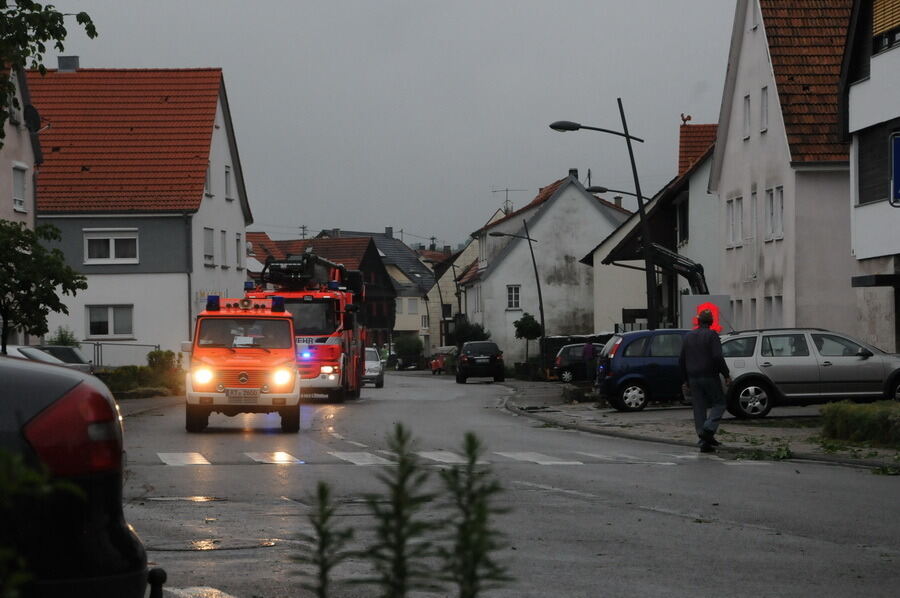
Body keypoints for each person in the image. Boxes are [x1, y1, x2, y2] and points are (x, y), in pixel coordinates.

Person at [678, 309, 732, 452]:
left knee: (699, 408)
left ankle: (704, 442)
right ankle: (708, 429)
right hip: (709, 375)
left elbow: (681, 360)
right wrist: (726, 374)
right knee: (719, 403)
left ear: (698, 321)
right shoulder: (712, 335)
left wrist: (685, 380)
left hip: (692, 377)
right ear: (711, 322)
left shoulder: (688, 336)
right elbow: (717, 357)